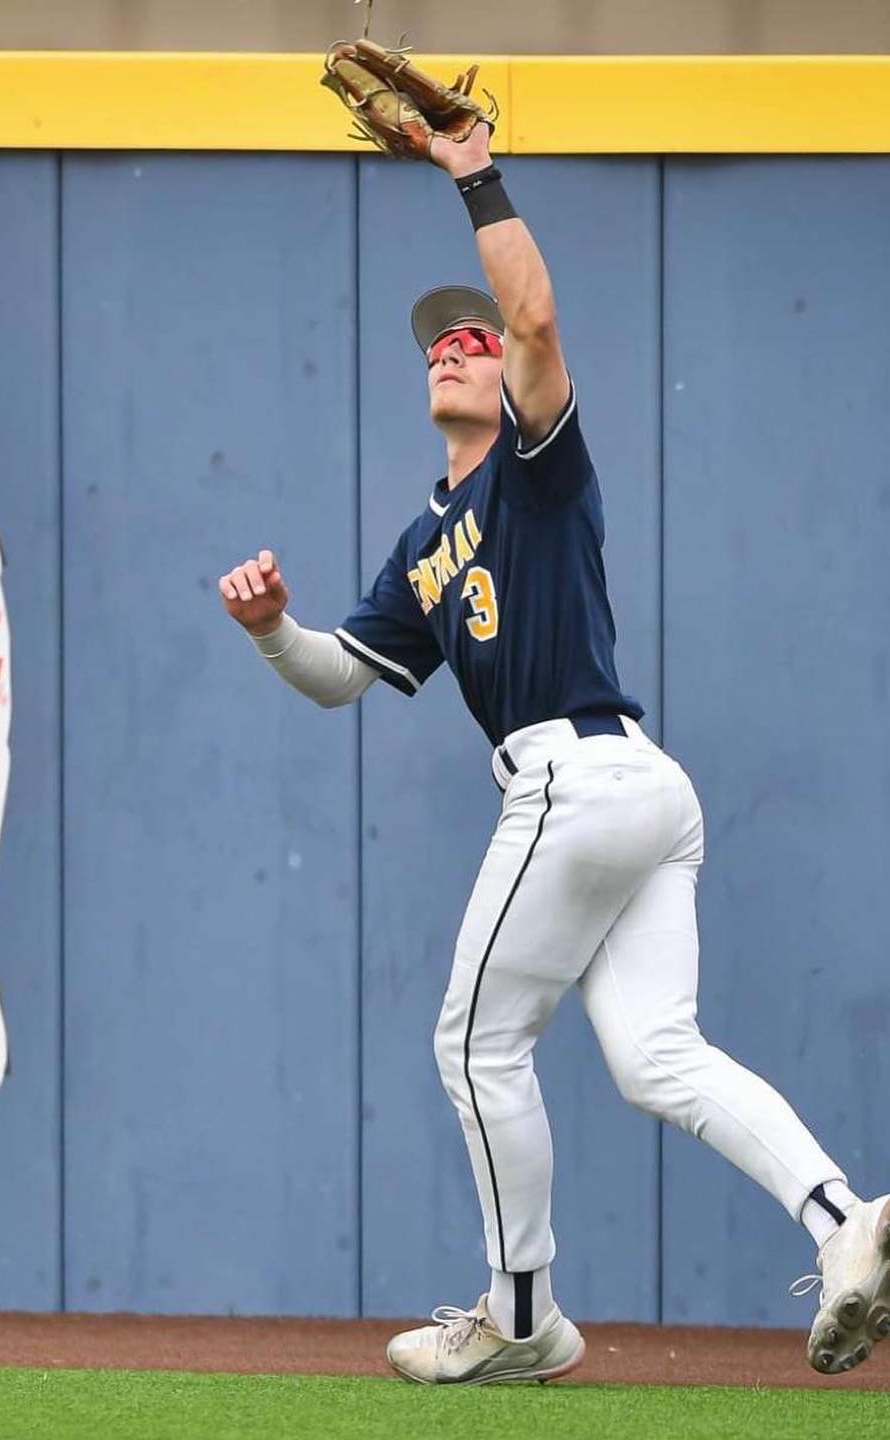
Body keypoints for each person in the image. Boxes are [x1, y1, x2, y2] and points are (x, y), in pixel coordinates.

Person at [216, 119, 890, 1385]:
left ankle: (522, 1318)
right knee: (657, 1058)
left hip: (582, 776)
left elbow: (535, 325)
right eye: (438, 344)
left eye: (471, 338)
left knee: (475, 1044)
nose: (457, 348)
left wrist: (476, 174)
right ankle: (848, 1222)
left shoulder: (533, 468)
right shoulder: (420, 547)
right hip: (636, 794)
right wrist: (270, 631)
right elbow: (333, 683)